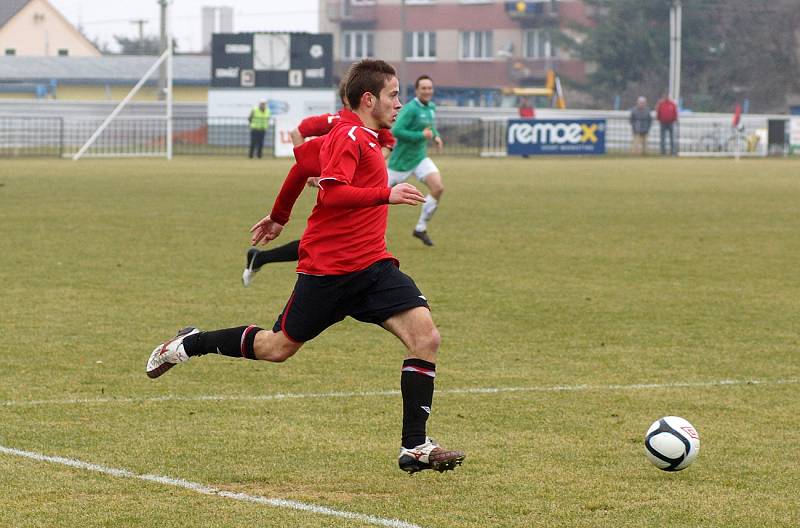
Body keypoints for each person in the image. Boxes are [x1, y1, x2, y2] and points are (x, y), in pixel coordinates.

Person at [146, 59, 466, 475]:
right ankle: (190, 343)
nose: (399, 102)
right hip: (328, 273)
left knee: (426, 338)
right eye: (393, 94)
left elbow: (301, 166)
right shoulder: (347, 137)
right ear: (368, 99)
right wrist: (384, 195)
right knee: (276, 348)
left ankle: (415, 447)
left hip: (373, 268)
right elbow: (332, 196)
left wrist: (279, 216)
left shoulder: (364, 134)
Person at [242, 85, 397, 288]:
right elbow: (298, 137)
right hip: (338, 198)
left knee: (344, 246)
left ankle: (261, 258)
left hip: (359, 205)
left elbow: (386, 145)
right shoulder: (338, 125)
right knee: (323, 243)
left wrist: (371, 166)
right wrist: (321, 174)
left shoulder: (373, 128)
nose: (397, 104)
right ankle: (261, 258)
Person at [388, 75, 444, 247]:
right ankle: (361, 232)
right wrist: (420, 135)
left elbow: (430, 126)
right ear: (417, 90)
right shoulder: (411, 108)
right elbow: (395, 130)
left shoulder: (431, 107)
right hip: (400, 162)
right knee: (375, 199)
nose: (427, 91)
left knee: (438, 188)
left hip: (420, 158)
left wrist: (436, 137)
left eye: (430, 88)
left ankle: (420, 228)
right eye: (424, 88)